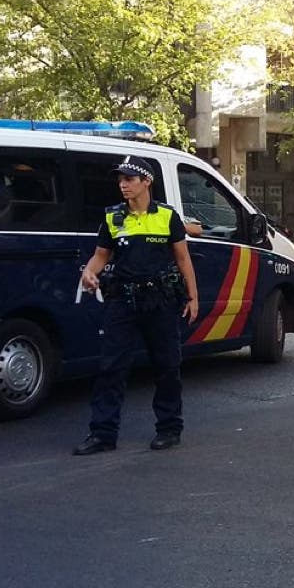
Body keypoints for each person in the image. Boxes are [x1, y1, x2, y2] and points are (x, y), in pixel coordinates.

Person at [73, 155, 199, 455]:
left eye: (129, 179)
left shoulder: (167, 217)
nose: (122, 184)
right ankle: (103, 434)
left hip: (161, 301)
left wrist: (193, 297)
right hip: (123, 302)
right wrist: (90, 272)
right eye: (120, 179)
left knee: (167, 366)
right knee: (111, 368)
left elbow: (183, 259)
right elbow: (101, 255)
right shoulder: (113, 217)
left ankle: (168, 428)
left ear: (146, 182)